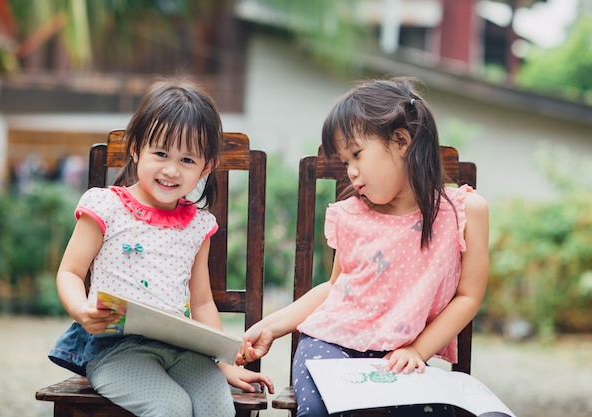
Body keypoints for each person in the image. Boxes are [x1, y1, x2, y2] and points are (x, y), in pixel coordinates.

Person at [237, 77, 489, 417]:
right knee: (320, 408)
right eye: (345, 162)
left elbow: (468, 296)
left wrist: (418, 349)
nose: (351, 172)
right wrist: (272, 326)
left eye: (357, 154)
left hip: (401, 354)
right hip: (331, 344)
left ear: (401, 141)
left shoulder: (463, 212)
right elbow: (333, 288)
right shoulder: (352, 215)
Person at [48, 78, 273, 417]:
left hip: (185, 350)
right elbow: (70, 271)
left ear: (206, 167)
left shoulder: (198, 225)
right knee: (170, 408)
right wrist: (81, 310)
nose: (171, 169)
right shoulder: (106, 207)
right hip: (115, 350)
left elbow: (201, 300)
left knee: (219, 409)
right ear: (136, 148)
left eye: (187, 160)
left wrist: (225, 364)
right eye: (161, 153)